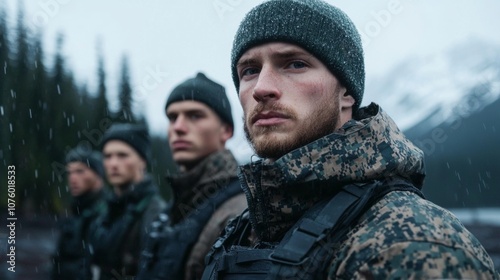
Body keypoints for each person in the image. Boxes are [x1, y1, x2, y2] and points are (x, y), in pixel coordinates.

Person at [202, 0, 499, 279]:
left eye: (294, 64)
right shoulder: (244, 230)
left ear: (347, 93)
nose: (261, 88)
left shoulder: (411, 243)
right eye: (250, 71)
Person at [136, 72, 247, 280]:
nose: (178, 127)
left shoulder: (239, 213)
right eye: (172, 117)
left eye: (195, 115)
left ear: (226, 131)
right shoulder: (173, 208)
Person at [90, 123, 166, 279]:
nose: (113, 164)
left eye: (122, 155)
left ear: (142, 161)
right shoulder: (105, 210)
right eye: (108, 156)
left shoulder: (155, 212)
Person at [52, 146, 107, 280]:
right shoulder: (76, 212)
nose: (73, 178)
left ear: (98, 174)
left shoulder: (107, 213)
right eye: (70, 173)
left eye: (80, 171)